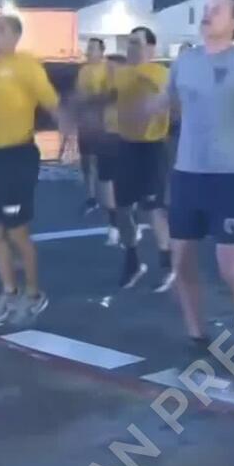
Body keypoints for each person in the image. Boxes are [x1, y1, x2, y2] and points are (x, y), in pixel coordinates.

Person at [142, 0, 234, 352]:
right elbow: (165, 99)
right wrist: (138, 109)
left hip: (230, 175)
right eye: (206, 8)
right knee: (182, 260)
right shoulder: (185, 61)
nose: (208, 13)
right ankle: (196, 333)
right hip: (187, 174)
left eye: (216, 9)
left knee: (231, 266)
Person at [0, 14, 60, 325]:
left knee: (17, 231)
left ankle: (34, 293)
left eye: (0, 29)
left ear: (15, 36)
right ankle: (9, 293)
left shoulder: (26, 65)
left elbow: (52, 102)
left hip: (18, 157)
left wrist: (70, 127)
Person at [109, 26, 173, 291]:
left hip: (152, 148)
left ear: (150, 48)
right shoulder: (121, 74)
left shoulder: (160, 73)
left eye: (136, 43)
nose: (131, 48)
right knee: (122, 208)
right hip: (126, 146)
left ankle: (167, 262)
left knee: (153, 208)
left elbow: (164, 95)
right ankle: (132, 260)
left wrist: (138, 73)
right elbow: (110, 100)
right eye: (129, 43)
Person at [73, 38, 121, 244]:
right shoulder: (83, 71)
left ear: (101, 51)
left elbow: (110, 95)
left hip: (103, 126)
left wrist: (94, 100)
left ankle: (116, 215)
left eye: (93, 48)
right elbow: (80, 96)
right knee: (86, 161)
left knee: (105, 172)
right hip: (87, 124)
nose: (89, 51)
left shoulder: (107, 70)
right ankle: (91, 198)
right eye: (88, 47)